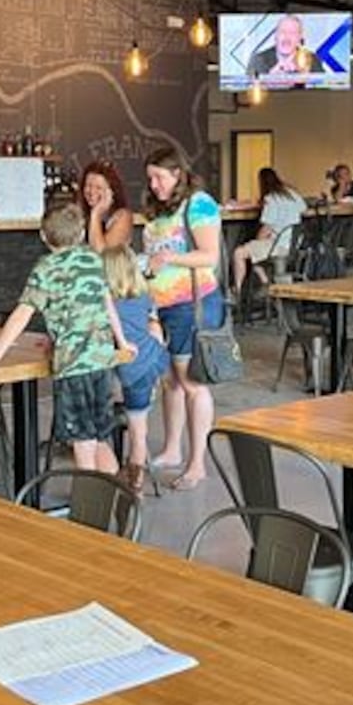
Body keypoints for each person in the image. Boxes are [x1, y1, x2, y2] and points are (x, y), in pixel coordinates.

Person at [0, 201, 130, 474]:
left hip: (73, 367)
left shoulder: (45, 269)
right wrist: (123, 342)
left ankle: (90, 512)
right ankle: (117, 507)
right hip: (103, 362)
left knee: (82, 444)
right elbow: (107, 305)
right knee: (99, 439)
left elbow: (20, 316)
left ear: (43, 236)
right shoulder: (94, 259)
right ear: (81, 234)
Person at [142, 145, 223, 491]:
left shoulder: (199, 203)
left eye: (159, 177)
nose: (154, 185)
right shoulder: (159, 211)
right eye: (150, 179)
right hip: (164, 307)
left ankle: (197, 464)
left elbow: (209, 255)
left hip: (195, 304)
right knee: (169, 382)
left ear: (178, 174)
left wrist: (167, 260)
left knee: (191, 383)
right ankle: (173, 449)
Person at [103, 245, 170, 492]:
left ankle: (135, 486)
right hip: (154, 358)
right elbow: (153, 324)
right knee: (138, 423)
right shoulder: (142, 294)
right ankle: (134, 479)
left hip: (134, 368)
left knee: (136, 429)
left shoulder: (108, 304)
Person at [231, 167, 306, 295]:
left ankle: (236, 291)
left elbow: (266, 228)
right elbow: (304, 208)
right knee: (256, 254)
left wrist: (256, 240)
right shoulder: (292, 194)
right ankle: (266, 284)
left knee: (239, 253)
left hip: (278, 246)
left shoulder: (270, 199)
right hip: (294, 245)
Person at [247, 14, 326, 79]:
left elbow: (324, 92)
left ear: (300, 37)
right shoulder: (258, 60)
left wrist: (305, 79)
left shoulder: (313, 60)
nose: (286, 37)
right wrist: (269, 79)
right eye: (282, 32)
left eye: (292, 33)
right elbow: (248, 91)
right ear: (275, 36)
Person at [79, 159, 134, 251]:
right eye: (88, 186)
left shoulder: (122, 216)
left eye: (98, 187)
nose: (92, 191)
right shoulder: (80, 213)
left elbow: (102, 254)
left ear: (111, 192)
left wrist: (95, 214)